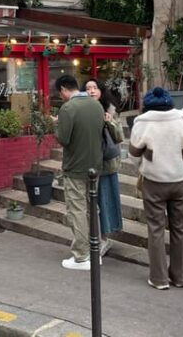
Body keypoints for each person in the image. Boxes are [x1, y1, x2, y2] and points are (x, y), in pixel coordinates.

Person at [129, 87, 183, 289]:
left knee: (156, 229)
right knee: (181, 229)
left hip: (153, 181)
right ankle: (181, 277)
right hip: (179, 181)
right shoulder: (182, 120)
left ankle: (159, 279)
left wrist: (145, 166)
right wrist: (180, 165)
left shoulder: (142, 123)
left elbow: (134, 155)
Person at [54, 74, 104, 270]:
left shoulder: (68, 108)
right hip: (95, 166)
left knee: (77, 211)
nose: (62, 97)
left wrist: (56, 125)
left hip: (75, 167)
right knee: (92, 210)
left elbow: (64, 139)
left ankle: (82, 256)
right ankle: (95, 251)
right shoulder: (96, 105)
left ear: (64, 90)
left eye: (61, 94)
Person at [84, 79, 124, 256]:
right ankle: (94, 237)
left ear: (101, 91)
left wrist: (109, 122)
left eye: (95, 88)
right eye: (87, 89)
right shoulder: (82, 109)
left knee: (105, 201)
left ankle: (104, 239)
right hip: (89, 163)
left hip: (106, 164)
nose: (91, 91)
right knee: (92, 202)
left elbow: (119, 137)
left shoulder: (110, 110)